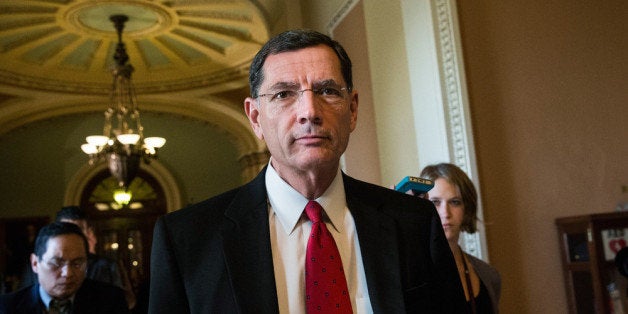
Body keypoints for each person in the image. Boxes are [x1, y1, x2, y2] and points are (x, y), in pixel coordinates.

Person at [149, 29, 467, 313]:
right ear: (256, 117)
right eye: (284, 94)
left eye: (327, 91)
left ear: (353, 109)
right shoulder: (187, 241)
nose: (309, 112)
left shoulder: (414, 223)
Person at [420, 163, 501, 314]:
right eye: (435, 202)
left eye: (455, 202)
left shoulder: (489, 276)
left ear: (467, 208)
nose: (445, 213)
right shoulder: (411, 274)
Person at [0, 222, 129, 313]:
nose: (67, 273)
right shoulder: (7, 307)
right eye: (56, 263)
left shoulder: (110, 301)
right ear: (35, 263)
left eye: (77, 263)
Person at [55, 206, 136, 309]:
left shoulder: (106, 266)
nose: (71, 238)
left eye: (77, 232)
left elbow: (123, 303)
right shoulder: (45, 266)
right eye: (66, 232)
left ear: (87, 233)